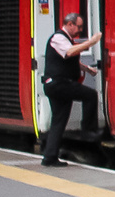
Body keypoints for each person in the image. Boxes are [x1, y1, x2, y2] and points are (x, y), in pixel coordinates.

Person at [38, 10, 103, 167]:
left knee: (59, 121)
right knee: (90, 95)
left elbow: (71, 59)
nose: (80, 30)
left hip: (57, 85)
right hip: (59, 84)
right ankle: (88, 131)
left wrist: (87, 69)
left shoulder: (65, 39)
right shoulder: (58, 37)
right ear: (69, 24)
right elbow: (70, 52)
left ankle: (50, 157)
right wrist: (92, 42)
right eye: (78, 27)